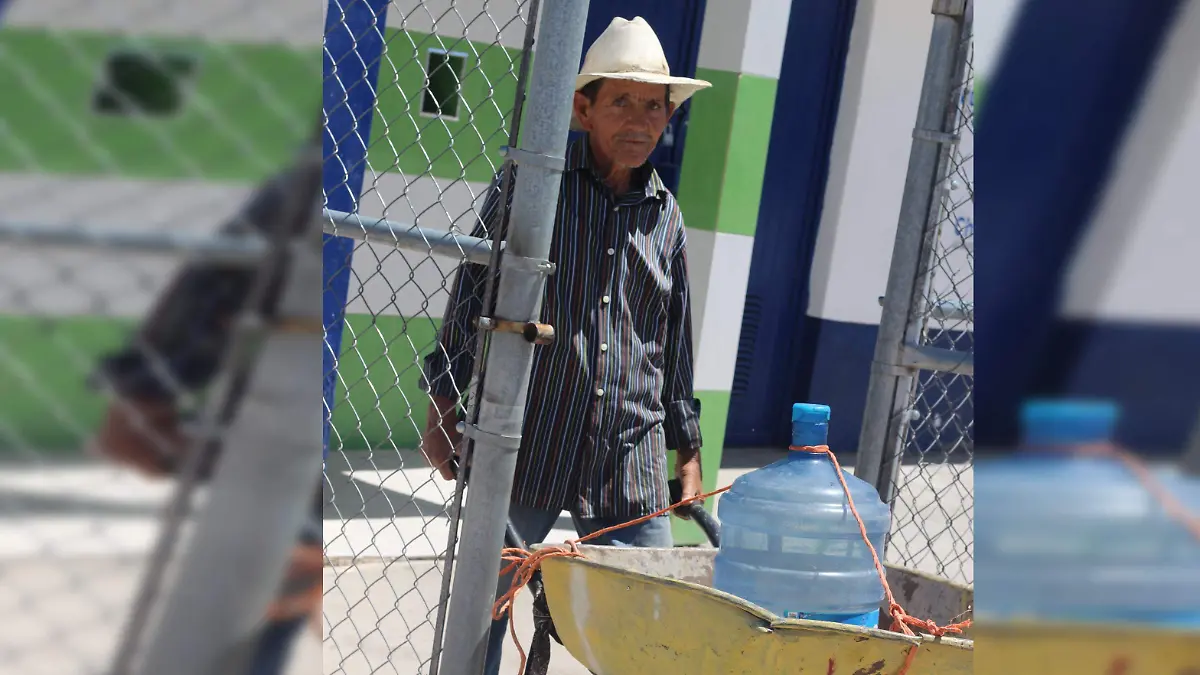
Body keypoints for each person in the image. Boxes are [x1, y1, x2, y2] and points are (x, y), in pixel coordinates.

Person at [418, 16, 711, 674]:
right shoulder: (533, 186)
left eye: (655, 105)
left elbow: (672, 340)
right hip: (529, 440)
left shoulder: (666, 214)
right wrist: (442, 403)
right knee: (482, 612)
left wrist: (687, 447)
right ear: (583, 108)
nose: (640, 120)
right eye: (622, 102)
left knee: (653, 625)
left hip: (629, 452)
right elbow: (473, 293)